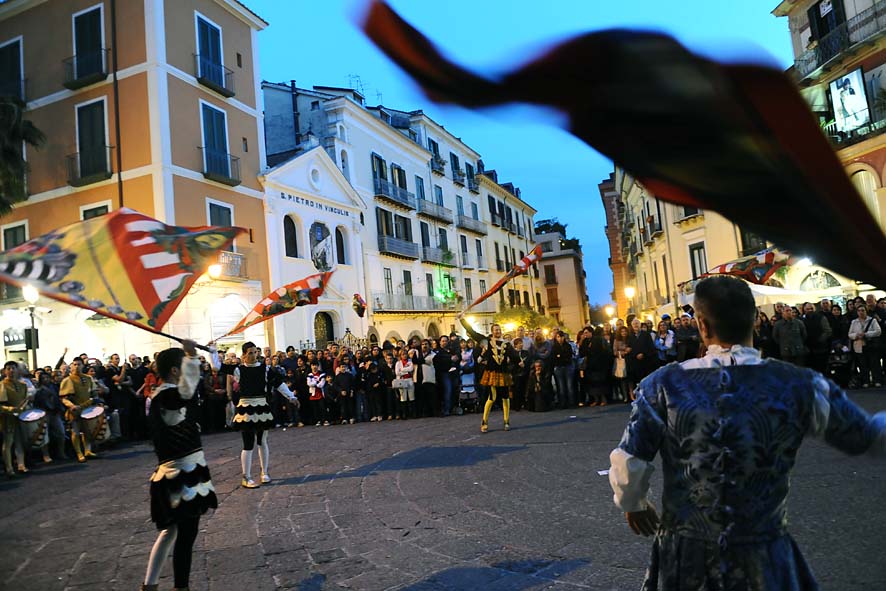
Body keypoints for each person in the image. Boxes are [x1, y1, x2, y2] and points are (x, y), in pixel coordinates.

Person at [608, 276, 886, 590]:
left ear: (702, 324)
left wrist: (634, 502)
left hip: (688, 556)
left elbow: (631, 457)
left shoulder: (662, 385)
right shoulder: (799, 384)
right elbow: (865, 435)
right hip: (764, 553)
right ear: (754, 320)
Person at [142, 340, 218, 591]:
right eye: (182, 366)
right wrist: (192, 356)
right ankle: (180, 587)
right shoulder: (167, 395)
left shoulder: (163, 396)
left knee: (171, 532)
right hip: (180, 475)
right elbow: (187, 391)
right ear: (175, 371)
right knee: (185, 535)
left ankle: (150, 586)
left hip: (180, 472)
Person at [227, 341, 297, 488]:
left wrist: (291, 397)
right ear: (244, 355)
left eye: (255, 352)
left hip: (261, 406)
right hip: (246, 407)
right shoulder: (238, 370)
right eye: (250, 353)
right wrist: (212, 350)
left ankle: (264, 473)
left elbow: (278, 383)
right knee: (248, 443)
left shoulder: (265, 369)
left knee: (262, 441)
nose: (254, 355)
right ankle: (246, 477)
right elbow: (217, 366)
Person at [460, 318, 518, 433]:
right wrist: (462, 319)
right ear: (492, 331)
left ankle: (506, 420)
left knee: (506, 397)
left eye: (499, 330)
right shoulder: (487, 341)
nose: (498, 331)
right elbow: (472, 332)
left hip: (504, 373)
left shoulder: (506, 344)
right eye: (495, 330)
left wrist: (519, 361)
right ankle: (484, 421)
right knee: (492, 398)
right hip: (492, 373)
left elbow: (514, 355)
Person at [59, 358, 98, 463]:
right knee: (75, 432)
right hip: (75, 410)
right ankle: (79, 453)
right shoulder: (67, 380)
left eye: (79, 364)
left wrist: (96, 401)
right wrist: (71, 406)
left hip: (88, 408)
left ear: (82, 366)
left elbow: (94, 393)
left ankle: (87, 450)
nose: (76, 366)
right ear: (71, 366)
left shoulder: (89, 378)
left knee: (87, 431)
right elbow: (64, 398)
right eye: (74, 364)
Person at [0, 361, 29, 476]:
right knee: (8, 442)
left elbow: (24, 400)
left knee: (19, 441)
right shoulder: (2, 385)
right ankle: (9, 468)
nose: (11, 370)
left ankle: (21, 465)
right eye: (9, 368)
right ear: (5, 371)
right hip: (7, 417)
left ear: (17, 370)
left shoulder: (23, 385)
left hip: (20, 416)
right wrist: (10, 409)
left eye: (13, 368)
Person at [33, 371, 66, 462]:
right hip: (44, 413)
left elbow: (59, 399)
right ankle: (46, 455)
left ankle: (61, 452)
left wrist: (59, 409)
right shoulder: (38, 390)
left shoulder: (54, 387)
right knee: (44, 435)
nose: (45, 380)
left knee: (61, 433)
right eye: (43, 378)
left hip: (55, 413)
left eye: (47, 377)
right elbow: (37, 404)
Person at [848, 305, 883, 388]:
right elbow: (850, 334)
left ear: (866, 311)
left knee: (874, 364)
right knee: (863, 365)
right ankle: (865, 381)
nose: (861, 312)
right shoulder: (854, 322)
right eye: (859, 310)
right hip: (859, 346)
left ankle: (877, 380)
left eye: (863, 310)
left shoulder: (872, 320)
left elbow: (878, 331)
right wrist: (857, 335)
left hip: (871, 345)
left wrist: (866, 334)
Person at [394, 349, 415, 419]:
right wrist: (406, 371)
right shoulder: (398, 363)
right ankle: (404, 414)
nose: (404, 355)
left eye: (405, 354)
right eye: (403, 354)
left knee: (411, 397)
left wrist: (402, 370)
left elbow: (411, 368)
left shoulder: (410, 361)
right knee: (403, 397)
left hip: (409, 380)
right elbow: (397, 372)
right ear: (400, 355)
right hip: (402, 380)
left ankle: (412, 413)